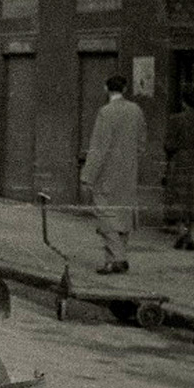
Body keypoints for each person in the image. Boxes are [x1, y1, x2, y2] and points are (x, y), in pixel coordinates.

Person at [80, 75, 146, 275]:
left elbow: (99, 147)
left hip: (107, 172)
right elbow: (142, 143)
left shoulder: (105, 113)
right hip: (128, 170)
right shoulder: (136, 110)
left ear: (105, 88)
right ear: (125, 88)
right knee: (123, 215)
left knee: (105, 214)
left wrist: (88, 175)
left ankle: (118, 257)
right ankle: (111, 262)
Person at [163, 86, 194, 250]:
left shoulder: (175, 119)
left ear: (184, 102)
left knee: (179, 198)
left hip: (180, 161)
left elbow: (168, 145)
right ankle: (193, 238)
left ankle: (181, 233)